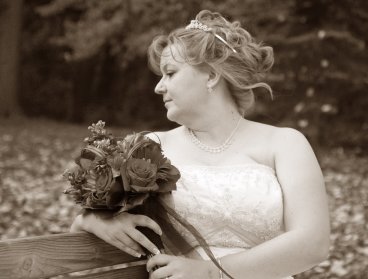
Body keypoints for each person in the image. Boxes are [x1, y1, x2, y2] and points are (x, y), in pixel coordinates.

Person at [70, 10, 330, 279]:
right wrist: (93, 220)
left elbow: (314, 243)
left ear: (211, 75)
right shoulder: (147, 148)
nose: (159, 87)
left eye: (170, 73)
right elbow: (84, 229)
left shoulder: (285, 144)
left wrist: (211, 272)